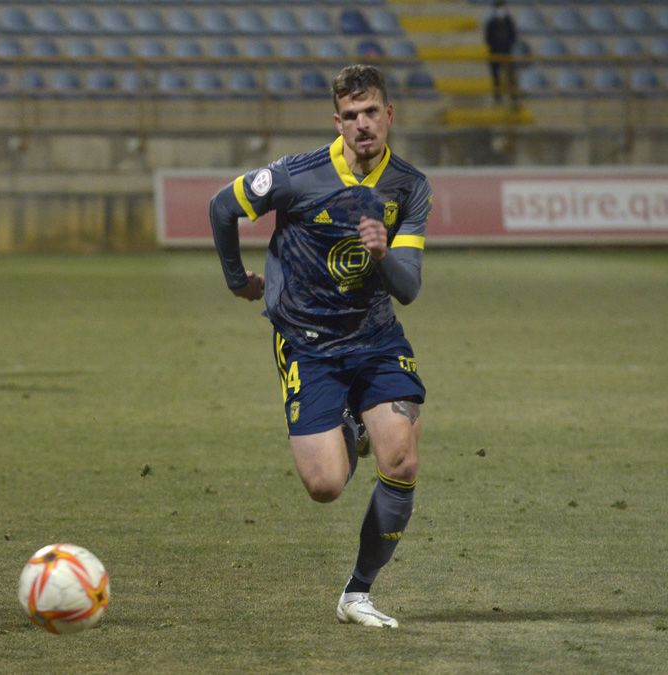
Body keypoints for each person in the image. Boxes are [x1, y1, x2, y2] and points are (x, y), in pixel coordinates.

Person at [209, 64, 429, 629]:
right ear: (338, 121)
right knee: (326, 486)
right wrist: (237, 280)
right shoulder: (296, 175)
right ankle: (349, 429)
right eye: (351, 116)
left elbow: (408, 289)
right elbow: (221, 207)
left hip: (376, 338)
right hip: (307, 342)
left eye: (371, 113)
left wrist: (383, 255)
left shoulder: (408, 186)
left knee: (401, 458)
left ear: (388, 115)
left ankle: (357, 593)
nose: (362, 125)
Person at [484, 0, 518, 105]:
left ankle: (513, 97)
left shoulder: (509, 22)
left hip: (507, 52)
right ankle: (497, 97)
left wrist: (507, 46)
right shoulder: (491, 23)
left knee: (510, 75)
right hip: (494, 53)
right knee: (495, 76)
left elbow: (513, 36)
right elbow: (488, 38)